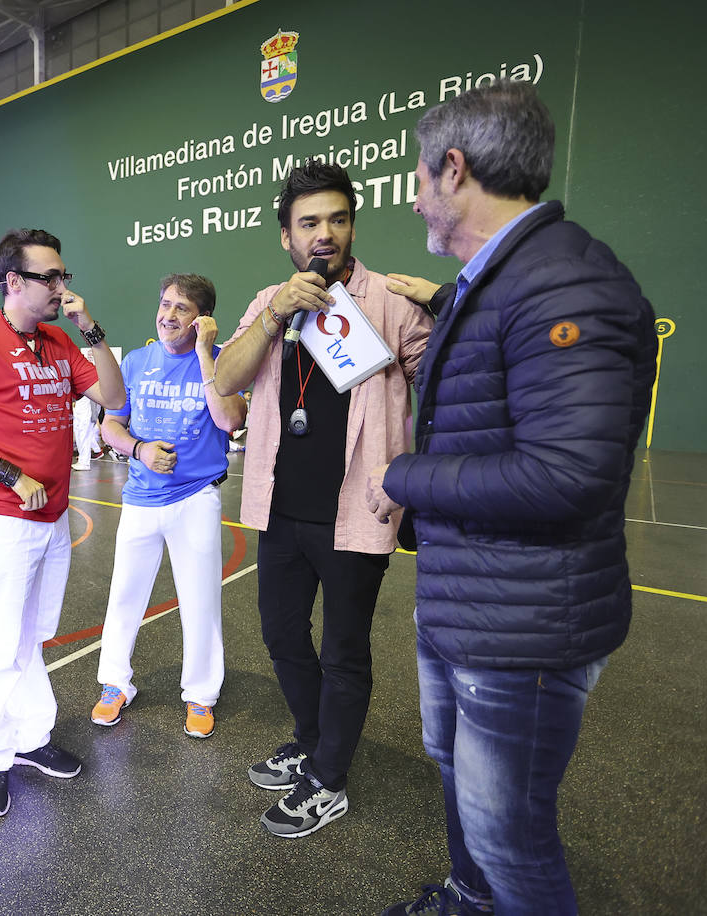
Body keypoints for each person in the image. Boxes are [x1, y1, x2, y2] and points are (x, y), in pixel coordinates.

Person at [370, 80, 657, 916]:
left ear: (452, 169)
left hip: (526, 624)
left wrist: (404, 474)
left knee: (508, 832)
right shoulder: (499, 279)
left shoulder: (563, 283)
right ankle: (469, 900)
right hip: (474, 602)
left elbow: (568, 475)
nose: (417, 199)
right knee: (459, 786)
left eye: (420, 180)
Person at [212, 160, 432, 839]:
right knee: (280, 633)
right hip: (280, 508)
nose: (325, 233)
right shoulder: (268, 303)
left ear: (352, 227)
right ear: (287, 236)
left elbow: (451, 381)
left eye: (338, 219)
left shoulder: (391, 301)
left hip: (356, 510)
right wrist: (277, 311)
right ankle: (315, 743)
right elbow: (226, 379)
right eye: (309, 223)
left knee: (343, 651)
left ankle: (329, 781)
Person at [0, 228, 126, 819]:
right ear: (13, 282)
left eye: (65, 277)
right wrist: (10, 474)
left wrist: (92, 331)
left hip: (53, 516)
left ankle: (31, 739)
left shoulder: (62, 342)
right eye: (51, 277)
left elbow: (113, 398)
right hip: (0, 516)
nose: (62, 287)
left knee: (32, 634)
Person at [91, 273, 247, 739]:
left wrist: (204, 355)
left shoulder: (221, 363)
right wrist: (139, 450)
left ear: (202, 318)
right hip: (140, 499)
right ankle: (113, 684)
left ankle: (201, 694)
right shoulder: (137, 361)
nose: (168, 315)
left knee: (200, 601)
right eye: (165, 304)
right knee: (124, 597)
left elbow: (230, 419)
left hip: (196, 497)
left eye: (182, 308)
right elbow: (111, 425)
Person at [71, 395, 102, 471]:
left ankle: (84, 462)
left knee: (84, 433)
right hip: (78, 402)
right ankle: (82, 460)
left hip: (87, 403)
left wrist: (94, 416)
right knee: (78, 431)